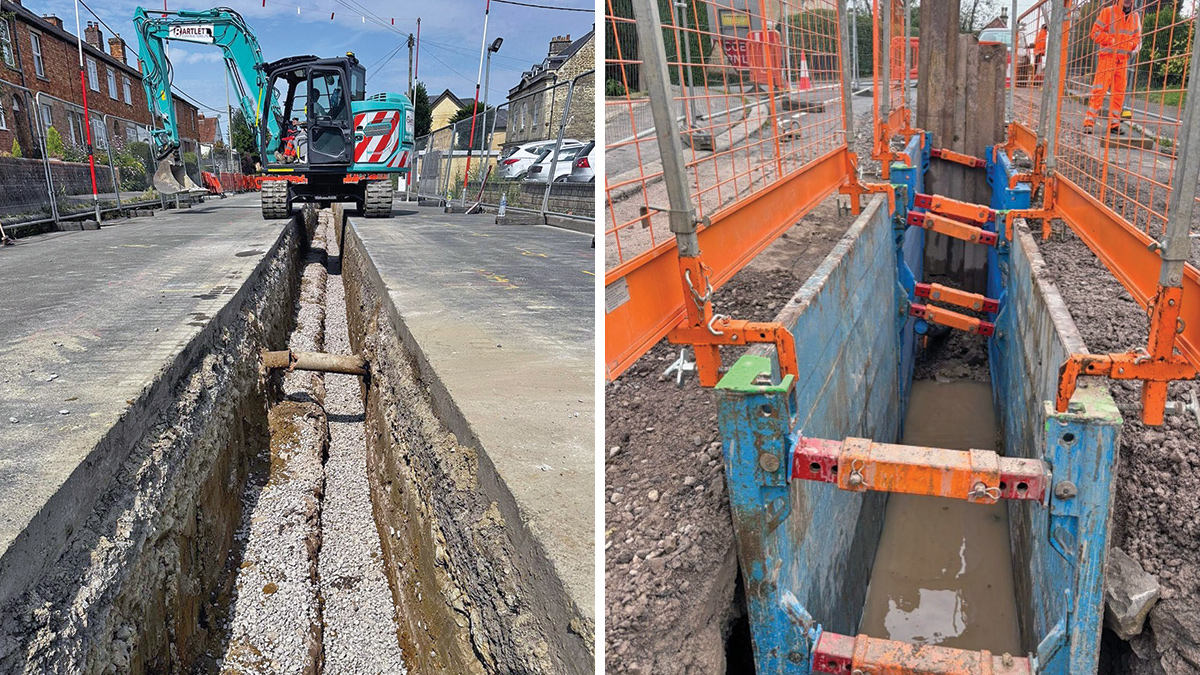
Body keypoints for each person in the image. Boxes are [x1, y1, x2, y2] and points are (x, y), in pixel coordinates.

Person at [1084, 0, 1141, 134]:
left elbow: (1137, 38)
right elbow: (1095, 33)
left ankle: (1114, 124)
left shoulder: (1135, 17)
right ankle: (1089, 122)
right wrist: (1112, 41)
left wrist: (1130, 45)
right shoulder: (1108, 12)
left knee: (1119, 93)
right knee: (1099, 90)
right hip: (1107, 59)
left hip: (1122, 61)